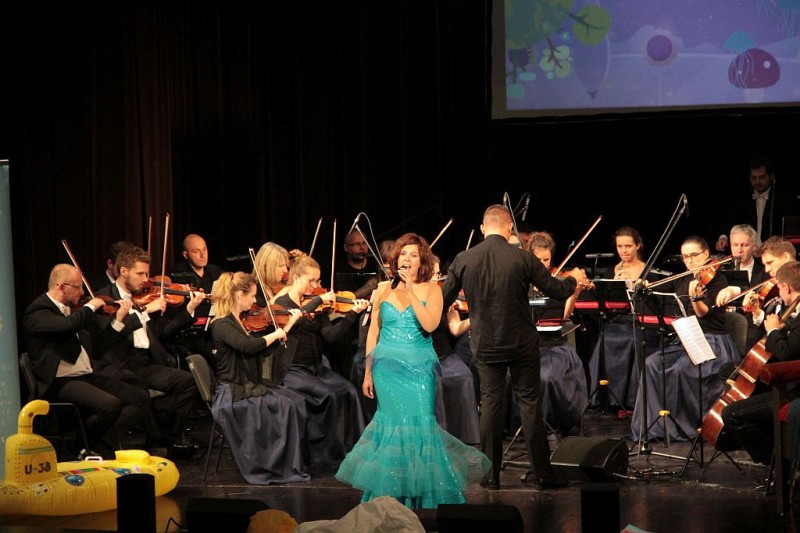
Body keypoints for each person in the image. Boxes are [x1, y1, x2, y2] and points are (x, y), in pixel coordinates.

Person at [336, 233, 490, 508]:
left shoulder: (432, 290)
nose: (407, 259)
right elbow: (374, 333)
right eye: (403, 254)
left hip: (419, 372)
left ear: (422, 262)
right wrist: (368, 371)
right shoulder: (382, 288)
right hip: (386, 371)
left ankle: (423, 499)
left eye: (413, 255)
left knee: (419, 428)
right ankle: (389, 498)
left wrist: (409, 291)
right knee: (391, 430)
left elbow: (430, 325)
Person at [441, 205, 588, 490]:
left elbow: (443, 299)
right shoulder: (522, 257)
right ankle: (543, 475)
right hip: (521, 344)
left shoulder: (464, 259)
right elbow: (557, 291)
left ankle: (490, 476)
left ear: (482, 229)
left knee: (490, 406)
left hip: (486, 344)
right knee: (530, 405)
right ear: (510, 229)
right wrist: (574, 279)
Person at [23, 264, 154, 459]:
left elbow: (98, 349)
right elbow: (67, 326)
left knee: (139, 397)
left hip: (85, 376)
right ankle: (79, 445)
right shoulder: (39, 312)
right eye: (78, 287)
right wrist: (91, 306)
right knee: (109, 405)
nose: (82, 292)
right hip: (59, 382)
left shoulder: (74, 311)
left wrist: (118, 320)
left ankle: (94, 442)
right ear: (61, 286)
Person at [631, 236, 742, 442]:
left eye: (694, 255)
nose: (689, 261)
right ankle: (657, 426)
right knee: (652, 363)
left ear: (706, 254)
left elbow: (702, 313)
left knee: (681, 370)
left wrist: (695, 298)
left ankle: (685, 428)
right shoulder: (683, 278)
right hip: (686, 338)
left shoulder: (718, 280)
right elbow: (662, 291)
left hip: (712, 342)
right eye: (685, 257)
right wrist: (646, 285)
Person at [95, 246, 203, 452]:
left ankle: (169, 436)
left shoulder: (145, 296)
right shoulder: (104, 299)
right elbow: (108, 337)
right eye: (140, 274)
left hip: (145, 362)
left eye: (146, 274)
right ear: (124, 271)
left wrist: (189, 309)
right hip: (119, 364)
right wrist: (144, 311)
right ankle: (159, 439)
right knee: (139, 390)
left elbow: (162, 332)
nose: (145, 280)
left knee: (187, 382)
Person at [209, 271, 311, 484]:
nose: (255, 300)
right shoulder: (222, 324)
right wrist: (275, 334)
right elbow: (248, 347)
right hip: (233, 392)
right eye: (252, 295)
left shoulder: (239, 321)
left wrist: (287, 326)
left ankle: (289, 464)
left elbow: (260, 351)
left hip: (246, 386)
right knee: (286, 406)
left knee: (296, 401)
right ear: (239, 295)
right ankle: (276, 465)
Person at [274, 250, 369, 467]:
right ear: (296, 278)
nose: (315, 286)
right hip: (293, 369)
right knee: (329, 395)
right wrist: (317, 300)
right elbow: (294, 320)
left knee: (349, 390)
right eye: (311, 281)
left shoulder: (316, 303)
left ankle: (355, 449)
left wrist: (352, 314)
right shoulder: (282, 304)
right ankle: (328, 455)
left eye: (317, 281)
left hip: (317, 367)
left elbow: (330, 335)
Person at [717, 261, 800, 465]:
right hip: (784, 381)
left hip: (793, 390)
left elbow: (787, 353)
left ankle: (776, 461)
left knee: (732, 414)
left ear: (786, 287)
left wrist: (773, 331)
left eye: (779, 287)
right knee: (730, 372)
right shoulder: (793, 309)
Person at [587, 226, 661, 410]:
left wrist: (636, 288)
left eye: (628, 246)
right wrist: (614, 286)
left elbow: (654, 305)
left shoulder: (649, 271)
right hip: (618, 321)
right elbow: (608, 306)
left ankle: (630, 399)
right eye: (620, 246)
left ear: (638, 246)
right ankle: (606, 397)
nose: (623, 251)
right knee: (603, 339)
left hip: (641, 321)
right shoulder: (611, 271)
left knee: (632, 340)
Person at [525, 231, 588, 437]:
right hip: (529, 347)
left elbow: (564, 316)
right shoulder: (521, 282)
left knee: (548, 378)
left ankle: (551, 423)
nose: (543, 265)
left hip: (555, 347)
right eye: (538, 260)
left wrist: (575, 292)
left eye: (547, 260)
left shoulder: (557, 283)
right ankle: (529, 424)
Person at [716, 157, 795, 251]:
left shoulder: (782, 200)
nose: (757, 182)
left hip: (773, 252)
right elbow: (730, 221)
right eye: (754, 178)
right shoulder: (742, 199)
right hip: (747, 252)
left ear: (771, 177)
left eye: (762, 177)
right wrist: (723, 237)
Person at [170, 233, 224, 369]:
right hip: (194, 331)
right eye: (196, 251)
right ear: (185, 254)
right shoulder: (178, 273)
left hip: (216, 326)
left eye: (204, 249)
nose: (202, 255)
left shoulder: (215, 271)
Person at [714, 225, 772, 351]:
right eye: (735, 245)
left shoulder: (765, 273)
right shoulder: (720, 271)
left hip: (750, 327)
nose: (739, 250)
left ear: (754, 246)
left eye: (744, 245)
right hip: (723, 323)